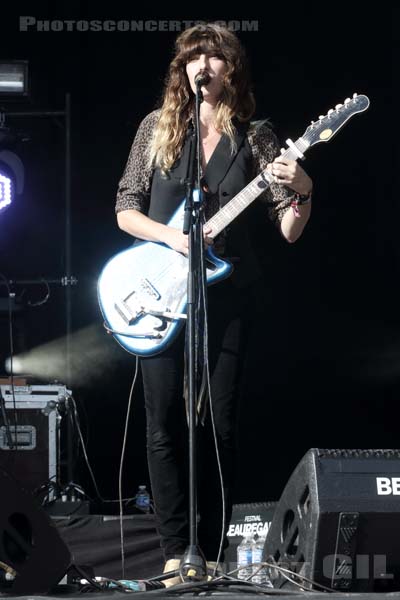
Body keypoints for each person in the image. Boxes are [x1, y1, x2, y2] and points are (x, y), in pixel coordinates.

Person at [115, 23, 313, 583]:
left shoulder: (256, 136)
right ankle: (175, 548)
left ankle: (214, 549)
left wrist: (302, 188)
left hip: (228, 296)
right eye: (194, 56)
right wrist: (172, 237)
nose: (203, 64)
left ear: (232, 70)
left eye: (215, 56)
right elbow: (125, 208)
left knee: (218, 423)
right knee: (162, 426)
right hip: (160, 293)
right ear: (184, 69)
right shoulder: (157, 129)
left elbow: (289, 228)